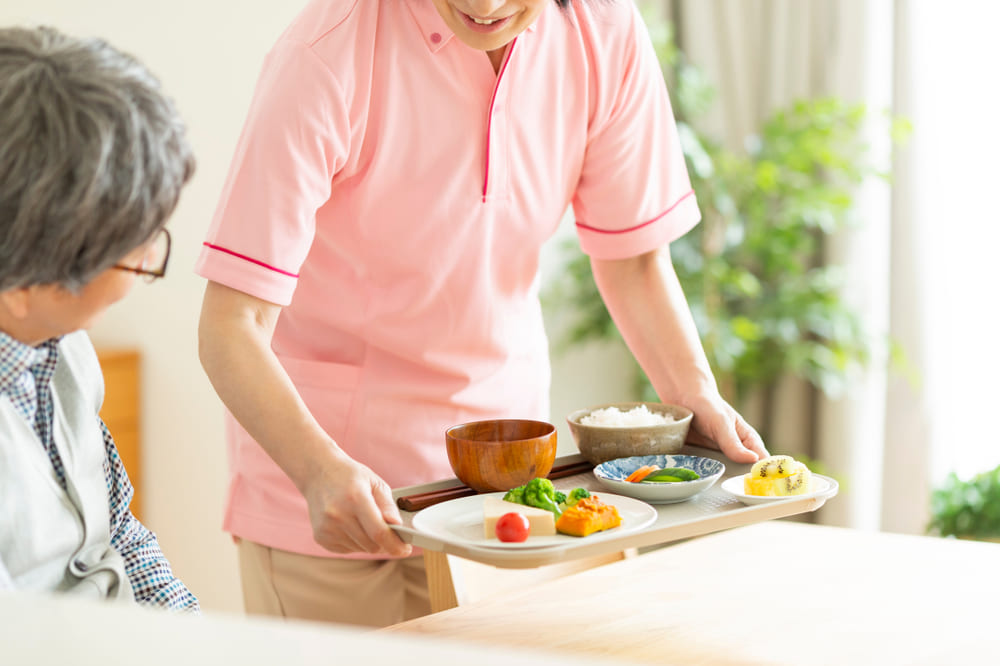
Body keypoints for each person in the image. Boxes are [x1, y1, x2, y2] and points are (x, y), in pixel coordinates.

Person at [196, 0, 768, 627]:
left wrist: (694, 395)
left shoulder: (603, 31)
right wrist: (320, 471)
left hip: (511, 487)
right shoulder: (326, 54)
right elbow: (232, 326)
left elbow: (632, 260)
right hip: (340, 498)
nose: (486, 6)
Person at [0, 25, 198, 611]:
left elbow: (117, 536)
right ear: (23, 281)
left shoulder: (58, 342)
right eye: (132, 248)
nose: (150, 260)